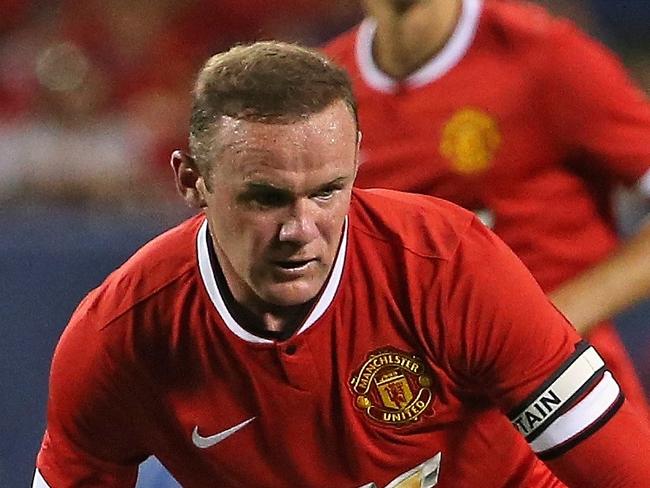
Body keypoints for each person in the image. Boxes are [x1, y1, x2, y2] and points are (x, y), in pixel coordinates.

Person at [33, 41, 650, 488]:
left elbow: (621, 472)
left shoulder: (449, 264)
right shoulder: (121, 340)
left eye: (327, 191)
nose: (301, 231)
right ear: (192, 181)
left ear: (358, 161)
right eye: (266, 197)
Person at [323, 0, 650, 415]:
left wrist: (542, 326)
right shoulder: (327, 91)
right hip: (432, 419)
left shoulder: (544, 56)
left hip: (565, 396)